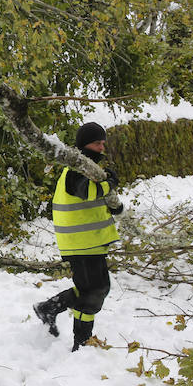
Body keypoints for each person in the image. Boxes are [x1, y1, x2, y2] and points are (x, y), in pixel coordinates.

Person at [33, 121, 123, 351]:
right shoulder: (76, 169)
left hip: (89, 244)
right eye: (96, 143)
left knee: (92, 289)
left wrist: (112, 205)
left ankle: (50, 309)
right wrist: (109, 184)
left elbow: (93, 198)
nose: (101, 147)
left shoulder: (88, 168)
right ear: (84, 144)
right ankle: (81, 342)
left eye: (103, 143)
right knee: (95, 291)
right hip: (82, 244)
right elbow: (89, 192)